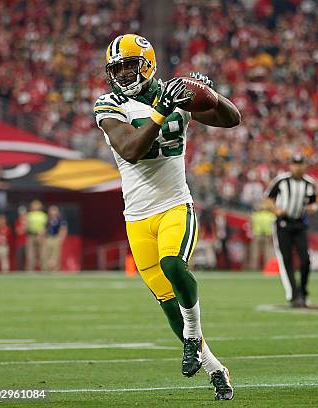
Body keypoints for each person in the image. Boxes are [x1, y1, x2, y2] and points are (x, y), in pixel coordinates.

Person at [94, 34, 240, 400]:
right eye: (118, 67)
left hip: (175, 204)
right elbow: (130, 150)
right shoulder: (109, 104)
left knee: (174, 265)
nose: (124, 73)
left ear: (148, 63)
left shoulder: (175, 92)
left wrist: (208, 93)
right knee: (167, 303)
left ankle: (193, 337)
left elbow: (231, 118)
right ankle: (215, 368)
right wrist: (161, 109)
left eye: (130, 64)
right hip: (137, 217)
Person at [266, 154, 318, 307]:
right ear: (290, 165)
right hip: (283, 224)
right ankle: (293, 296)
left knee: (305, 259)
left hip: (300, 224)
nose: (298, 167)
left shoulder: (309, 183)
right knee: (286, 259)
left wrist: (312, 208)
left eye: (300, 164)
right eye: (295, 164)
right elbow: (268, 199)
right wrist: (276, 210)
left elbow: (314, 203)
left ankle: (302, 291)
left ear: (305, 165)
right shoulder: (281, 181)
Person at [249, 200, 276, 271]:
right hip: (267, 236)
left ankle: (253, 269)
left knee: (255, 254)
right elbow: (273, 227)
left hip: (257, 235)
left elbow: (251, 225)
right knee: (267, 254)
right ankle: (268, 268)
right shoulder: (271, 215)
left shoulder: (255, 215)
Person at [43, 205, 68, 271]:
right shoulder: (48, 219)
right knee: (46, 254)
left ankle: (55, 270)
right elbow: (45, 229)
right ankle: (46, 270)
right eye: (51, 210)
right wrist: (43, 237)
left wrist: (61, 238)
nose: (52, 212)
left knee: (55, 255)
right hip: (48, 238)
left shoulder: (60, 219)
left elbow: (63, 229)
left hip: (56, 237)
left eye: (54, 210)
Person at [26, 200, 47, 272]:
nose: (35, 206)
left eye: (37, 205)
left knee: (42, 254)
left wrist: (42, 234)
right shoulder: (29, 215)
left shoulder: (43, 215)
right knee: (30, 254)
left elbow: (45, 226)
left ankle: (44, 269)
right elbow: (26, 225)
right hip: (31, 235)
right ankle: (30, 270)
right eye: (34, 205)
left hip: (40, 236)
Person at [14, 206, 28, 271]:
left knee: (27, 257)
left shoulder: (27, 221)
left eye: (24, 214)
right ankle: (19, 270)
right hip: (19, 242)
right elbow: (18, 232)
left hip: (27, 242)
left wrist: (24, 226)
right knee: (19, 257)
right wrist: (24, 227)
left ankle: (26, 270)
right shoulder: (17, 221)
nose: (23, 215)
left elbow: (27, 230)